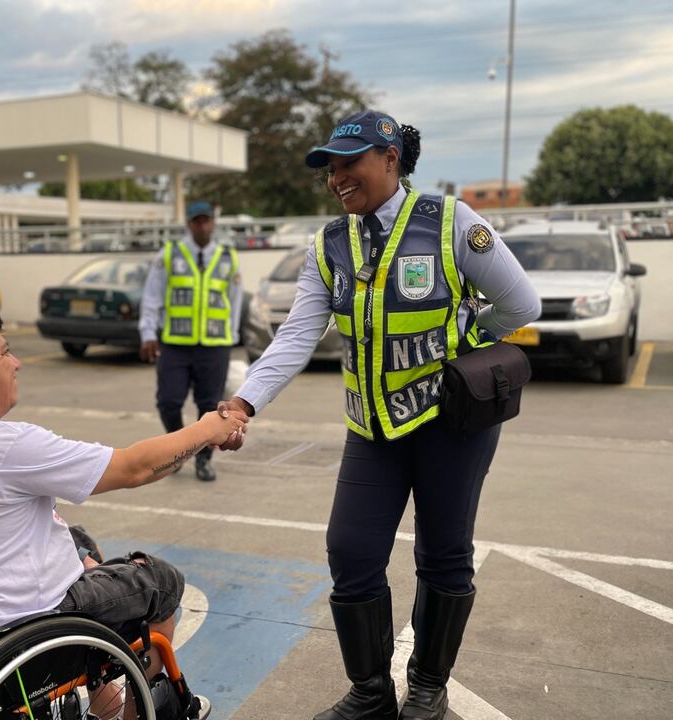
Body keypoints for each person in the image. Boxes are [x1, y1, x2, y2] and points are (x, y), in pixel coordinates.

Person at [218, 111, 540, 720]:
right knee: (351, 551)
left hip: (452, 423)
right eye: (330, 169)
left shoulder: (451, 222)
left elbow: (522, 303)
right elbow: (297, 335)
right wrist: (243, 401)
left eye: (350, 163)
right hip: (372, 426)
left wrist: (468, 336)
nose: (337, 178)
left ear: (391, 159)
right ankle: (370, 694)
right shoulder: (329, 244)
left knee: (444, 554)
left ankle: (428, 687)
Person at [0, 304, 247, 715]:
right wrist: (208, 429)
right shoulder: (4, 445)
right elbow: (135, 467)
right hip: (25, 628)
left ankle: (104, 705)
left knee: (77, 539)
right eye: (5, 352)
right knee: (161, 582)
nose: (17, 363)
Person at [138, 200, 243, 482]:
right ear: (189, 224)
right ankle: (178, 452)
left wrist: (231, 338)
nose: (203, 226)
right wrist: (148, 333)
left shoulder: (228, 257)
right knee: (168, 402)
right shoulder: (170, 254)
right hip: (175, 344)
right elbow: (152, 296)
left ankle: (203, 459)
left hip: (215, 346)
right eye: (197, 221)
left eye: (207, 220)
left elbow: (234, 301)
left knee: (210, 407)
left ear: (213, 223)